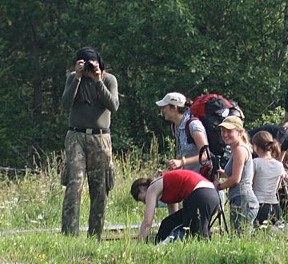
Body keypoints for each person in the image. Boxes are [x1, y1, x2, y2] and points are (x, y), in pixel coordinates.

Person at [61, 46, 119, 239]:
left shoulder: (109, 80)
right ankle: (70, 235)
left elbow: (113, 105)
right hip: (76, 136)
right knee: (74, 186)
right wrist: (77, 79)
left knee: (100, 188)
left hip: (100, 138)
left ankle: (95, 236)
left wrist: (98, 81)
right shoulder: (73, 78)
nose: (87, 69)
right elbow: (66, 104)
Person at [131, 170, 220, 242]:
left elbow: (147, 222)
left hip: (200, 195)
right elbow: (173, 219)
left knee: (197, 234)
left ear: (142, 188)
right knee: (168, 224)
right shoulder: (166, 186)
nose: (145, 202)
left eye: (142, 199)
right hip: (213, 195)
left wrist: (139, 243)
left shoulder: (152, 188)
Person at [215, 116, 259, 233]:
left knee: (240, 239)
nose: (225, 135)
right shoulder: (237, 149)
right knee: (239, 238)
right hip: (240, 199)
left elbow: (235, 180)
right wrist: (223, 174)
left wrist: (218, 186)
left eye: (229, 131)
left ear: (239, 132)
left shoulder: (239, 150)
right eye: (223, 131)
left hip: (243, 200)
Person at [156, 92, 208, 173]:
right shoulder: (175, 126)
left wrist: (181, 162)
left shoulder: (193, 126)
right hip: (188, 176)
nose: (162, 110)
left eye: (164, 107)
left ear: (174, 108)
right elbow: (181, 154)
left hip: (202, 178)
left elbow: (206, 156)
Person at [251, 130, 288, 225]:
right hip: (274, 205)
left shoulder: (255, 163)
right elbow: (278, 185)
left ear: (256, 146)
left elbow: (251, 183)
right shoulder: (279, 165)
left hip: (259, 204)